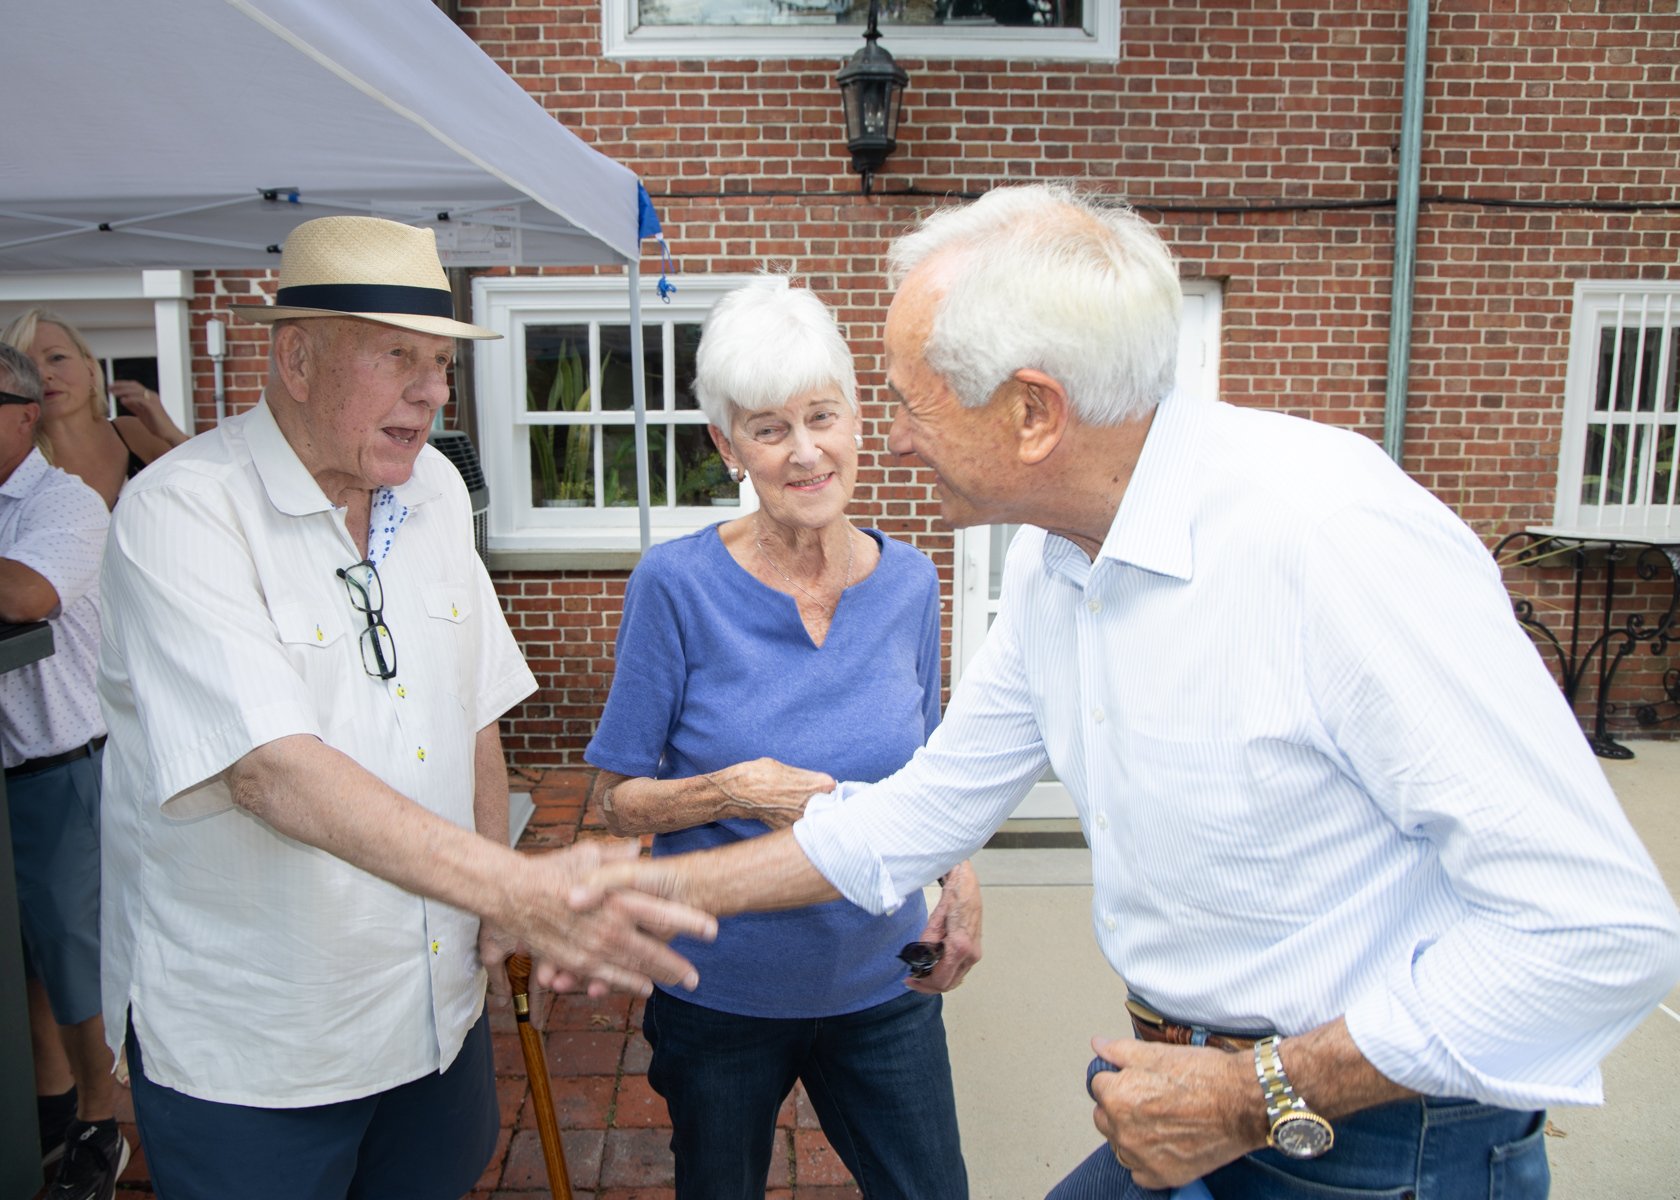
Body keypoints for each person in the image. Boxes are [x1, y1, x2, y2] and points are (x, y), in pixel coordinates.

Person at [571, 184, 1680, 1199]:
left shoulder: (1331, 539)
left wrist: (1253, 1096)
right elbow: (907, 820)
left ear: (1034, 413)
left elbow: (1600, 933)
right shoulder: (1058, 564)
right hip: (1189, 1099)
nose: (892, 441)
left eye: (911, 403)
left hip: (1388, 1145)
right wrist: (623, 898)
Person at [95, 215, 714, 1200]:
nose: (433, 392)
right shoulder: (180, 513)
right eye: (398, 358)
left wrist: (490, 895)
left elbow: (470, 705)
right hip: (266, 1050)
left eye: (440, 361)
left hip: (434, 1016)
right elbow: (268, 768)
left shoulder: (427, 486)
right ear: (296, 358)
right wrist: (511, 889)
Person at [585, 278, 977, 1200]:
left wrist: (959, 882)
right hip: (722, 993)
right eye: (770, 428)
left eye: (822, 416)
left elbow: (931, 771)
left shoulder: (911, 583)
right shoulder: (674, 587)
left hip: (883, 983)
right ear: (728, 447)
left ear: (853, 421)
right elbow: (617, 797)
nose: (806, 453)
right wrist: (736, 789)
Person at [0, 343, 128, 1200]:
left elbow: (25, 597)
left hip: (62, 766)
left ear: (22, 412)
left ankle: (100, 1118)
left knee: (78, 962)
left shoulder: (64, 501)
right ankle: (48, 1102)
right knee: (27, 962)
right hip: (13, 769)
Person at [2, 308, 188, 509]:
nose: (44, 374)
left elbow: (210, 487)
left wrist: (171, 434)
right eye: (27, 365)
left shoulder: (132, 434)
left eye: (56, 358)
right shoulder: (16, 465)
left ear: (90, 369)